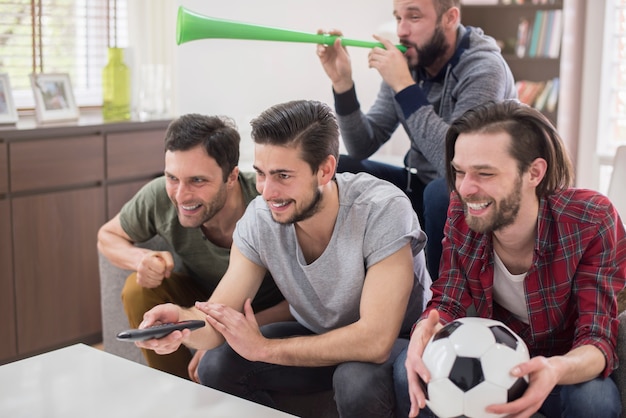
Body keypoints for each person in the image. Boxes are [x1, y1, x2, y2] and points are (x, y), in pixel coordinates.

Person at [135, 100, 432, 417]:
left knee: (355, 380)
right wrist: (180, 324)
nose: (267, 191)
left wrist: (264, 349)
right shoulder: (260, 219)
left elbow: (375, 340)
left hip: (396, 340)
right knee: (217, 364)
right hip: (315, 334)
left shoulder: (381, 208)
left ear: (325, 170)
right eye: (261, 173)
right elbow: (217, 319)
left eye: (283, 175)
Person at [394, 100, 626, 418]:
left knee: (594, 400)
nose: (465, 188)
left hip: (563, 367)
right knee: (408, 369)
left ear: (534, 172)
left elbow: (598, 340)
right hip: (493, 367)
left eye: (484, 173)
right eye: (459, 172)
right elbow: (448, 301)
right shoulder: (462, 211)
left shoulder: (592, 218)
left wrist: (556, 368)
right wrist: (425, 328)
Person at [316, 0, 517, 279]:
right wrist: (343, 84)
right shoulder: (411, 62)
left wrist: (403, 86)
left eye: (413, 17)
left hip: (475, 191)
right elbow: (363, 144)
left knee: (439, 191)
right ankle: (347, 282)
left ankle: (438, 303)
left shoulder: (484, 68)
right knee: (338, 168)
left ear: (449, 18)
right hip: (421, 185)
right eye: (398, 18)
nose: (402, 30)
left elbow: (457, 162)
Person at [96, 114, 287, 381]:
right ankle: (178, 391)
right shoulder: (160, 197)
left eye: (198, 181)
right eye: (172, 177)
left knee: (219, 360)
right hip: (203, 300)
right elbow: (107, 236)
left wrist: (224, 333)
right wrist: (141, 258)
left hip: (267, 311)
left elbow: (303, 303)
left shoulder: (268, 207)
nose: (181, 195)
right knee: (138, 290)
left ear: (231, 177)